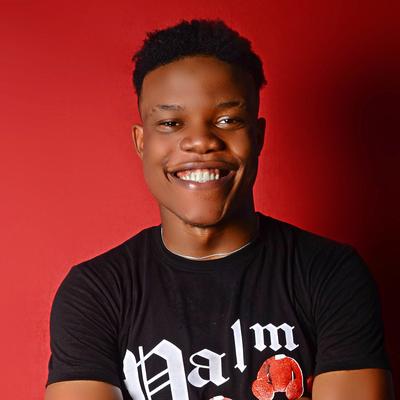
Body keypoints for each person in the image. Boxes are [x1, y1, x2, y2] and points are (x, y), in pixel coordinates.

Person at [45, 19, 394, 400]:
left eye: (227, 120)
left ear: (257, 136)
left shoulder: (330, 274)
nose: (200, 141)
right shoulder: (96, 292)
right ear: (141, 142)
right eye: (171, 122)